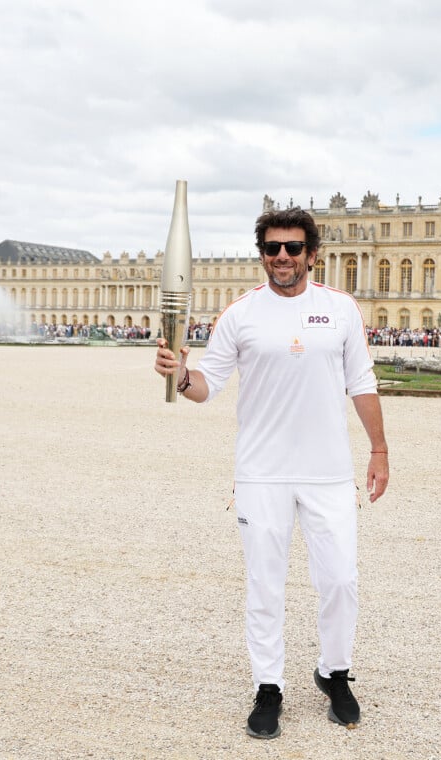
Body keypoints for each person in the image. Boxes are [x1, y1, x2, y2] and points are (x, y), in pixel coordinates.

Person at [154, 205, 389, 739]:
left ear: (311, 254)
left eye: (292, 248)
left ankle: (333, 673)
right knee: (264, 584)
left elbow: (363, 381)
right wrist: (181, 372)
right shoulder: (239, 313)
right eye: (272, 248)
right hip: (261, 472)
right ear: (261, 254)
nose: (282, 257)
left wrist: (379, 451)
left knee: (341, 581)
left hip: (328, 471)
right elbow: (205, 386)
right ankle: (268, 686)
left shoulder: (341, 308)